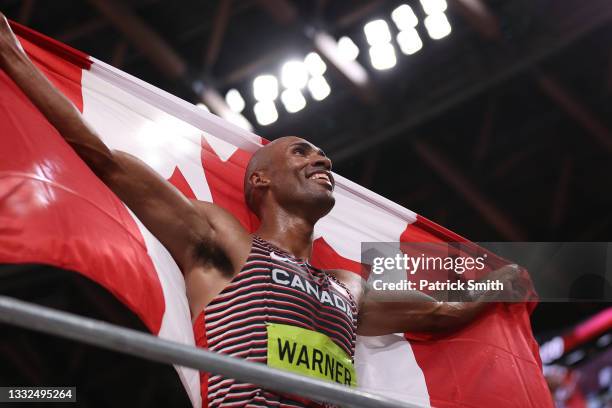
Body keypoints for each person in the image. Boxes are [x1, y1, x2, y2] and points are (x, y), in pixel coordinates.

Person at [0, 14, 523, 407]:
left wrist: (511, 280)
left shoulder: (347, 285)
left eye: (322, 154)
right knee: (46, 397)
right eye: (302, 151)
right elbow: (105, 160)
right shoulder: (222, 240)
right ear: (260, 180)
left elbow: (441, 312)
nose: (322, 158)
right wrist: (13, 56)